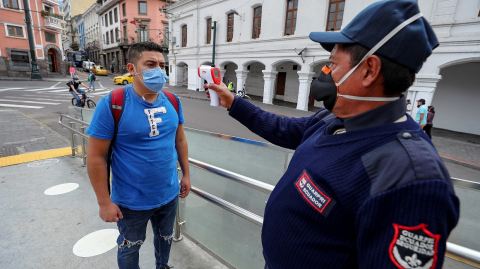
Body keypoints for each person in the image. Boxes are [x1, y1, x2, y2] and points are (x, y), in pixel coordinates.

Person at [205, 1, 459, 268]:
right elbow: (281, 128)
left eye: (333, 64)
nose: (325, 73)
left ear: (369, 70)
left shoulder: (409, 177)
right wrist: (233, 101)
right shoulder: (333, 119)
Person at [86, 42, 190, 269]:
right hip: (131, 201)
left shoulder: (173, 101)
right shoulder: (112, 104)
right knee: (129, 246)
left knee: (165, 238)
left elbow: (180, 140)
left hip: (169, 193)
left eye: (162, 65)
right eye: (150, 64)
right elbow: (95, 156)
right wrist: (104, 202)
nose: (159, 71)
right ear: (132, 69)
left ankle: (162, 266)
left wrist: (186, 175)